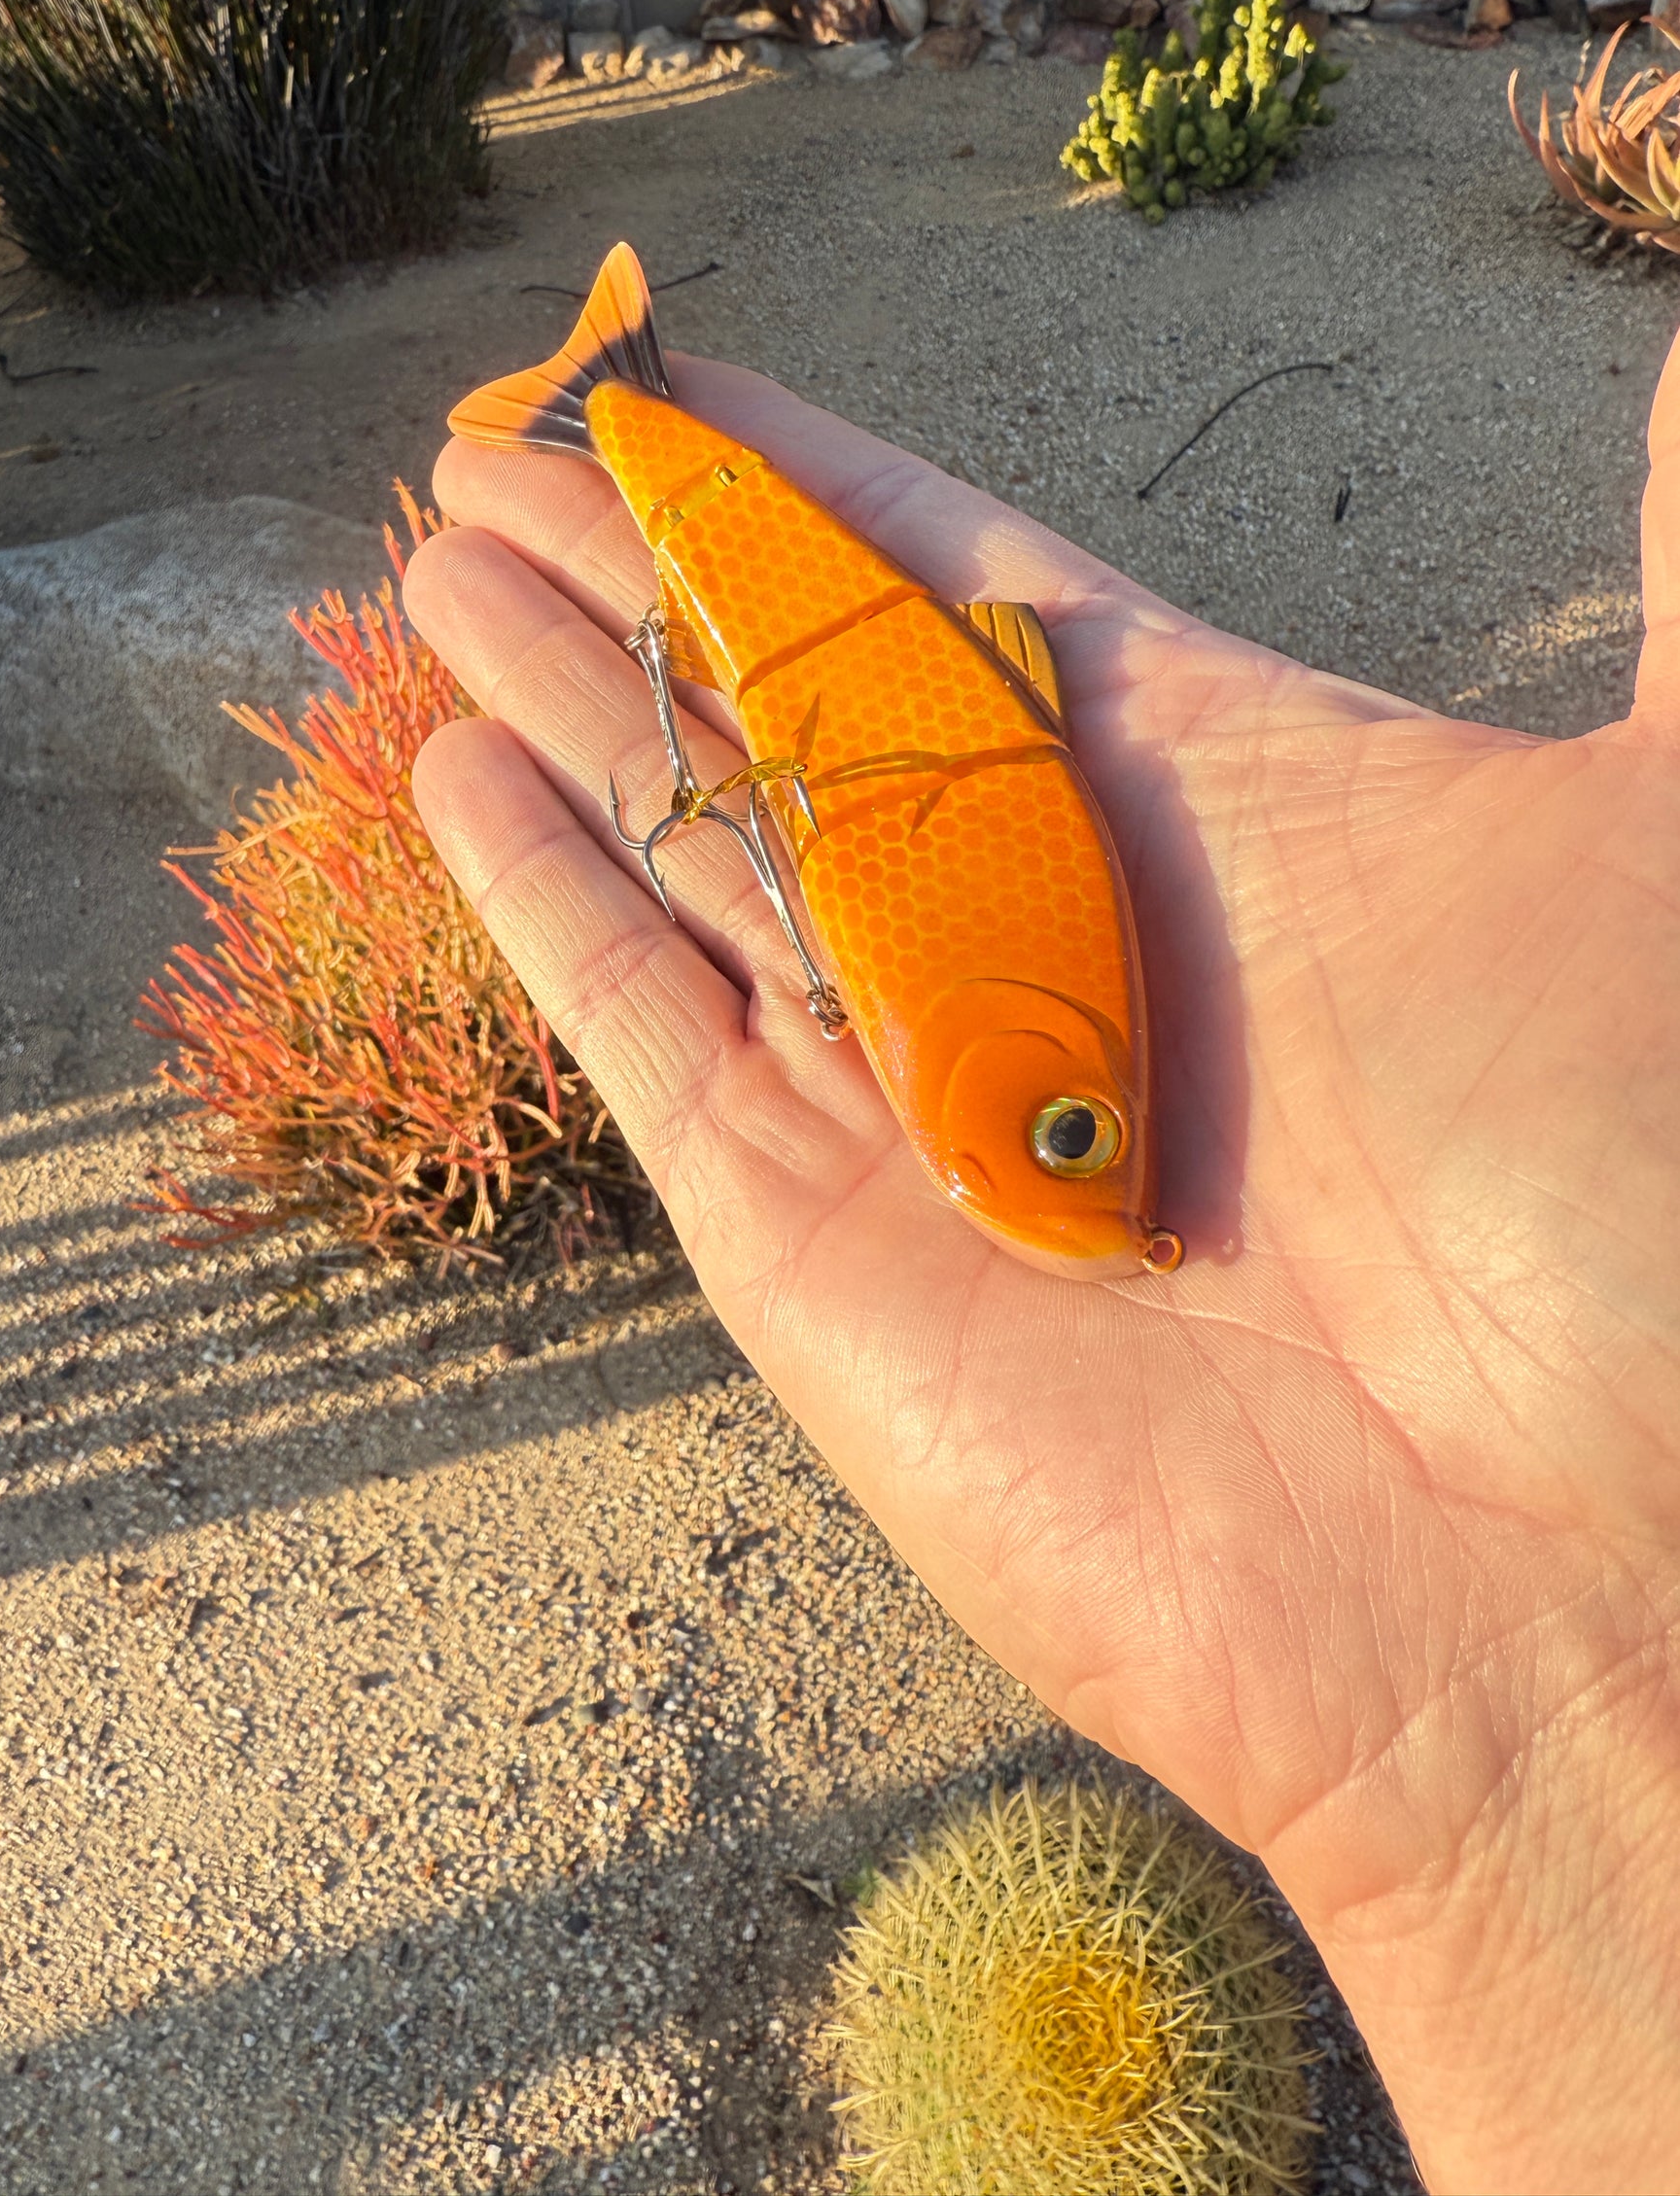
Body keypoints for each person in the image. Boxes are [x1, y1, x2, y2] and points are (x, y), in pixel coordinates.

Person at [403, 328, 1680, 2196]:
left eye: (1072, 1130)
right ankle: (615, 394)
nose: (1076, 1157)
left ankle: (608, 391)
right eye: (1074, 1130)